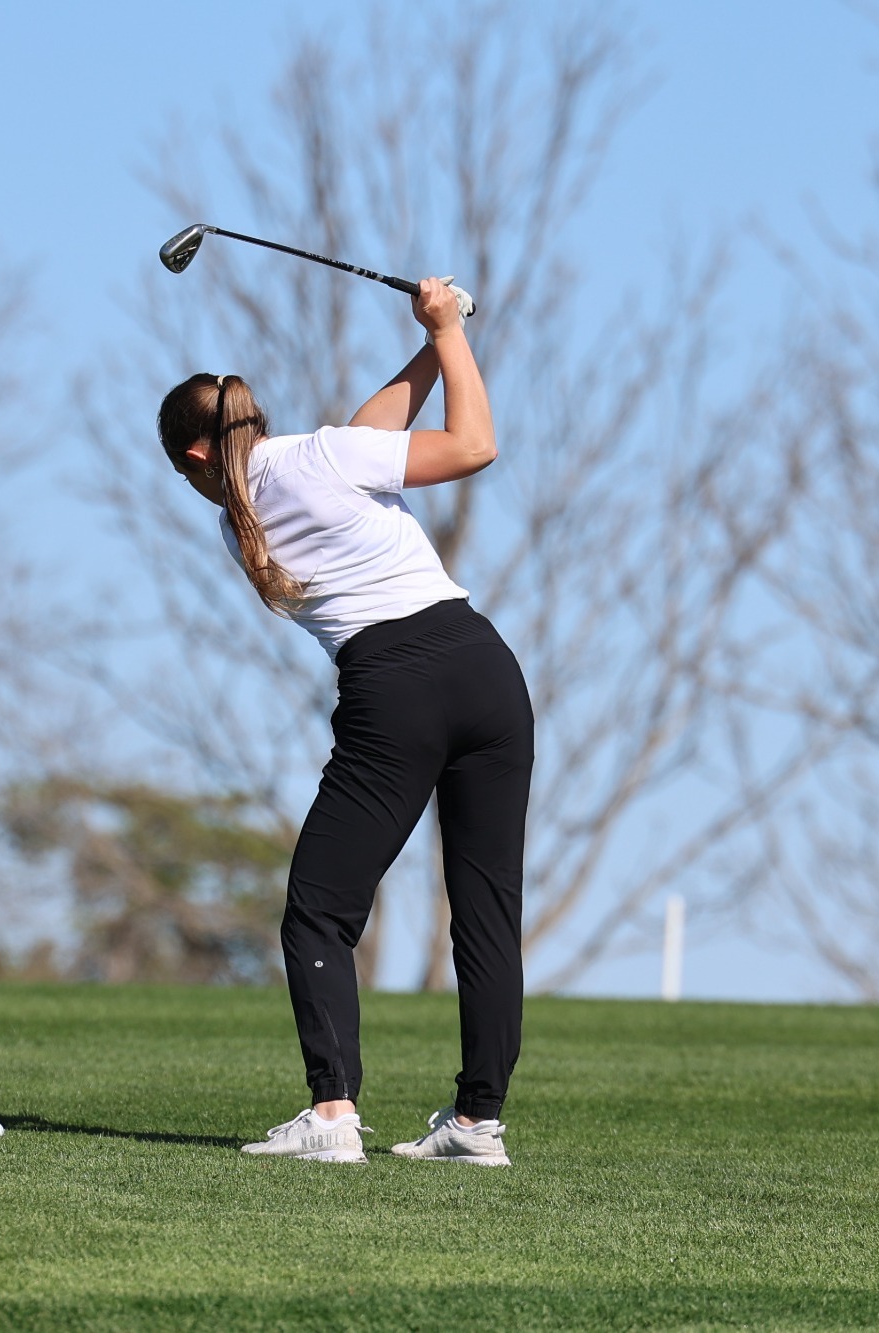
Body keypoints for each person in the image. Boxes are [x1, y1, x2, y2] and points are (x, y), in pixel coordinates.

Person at [156, 277, 531, 1166]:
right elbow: (390, 442)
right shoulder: (323, 456)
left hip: (392, 688)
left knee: (319, 911)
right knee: (486, 911)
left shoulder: (240, 522)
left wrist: (435, 339)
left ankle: (332, 1117)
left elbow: (463, 444)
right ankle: (478, 1123)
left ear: (199, 459)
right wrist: (445, 334)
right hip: (485, 670)